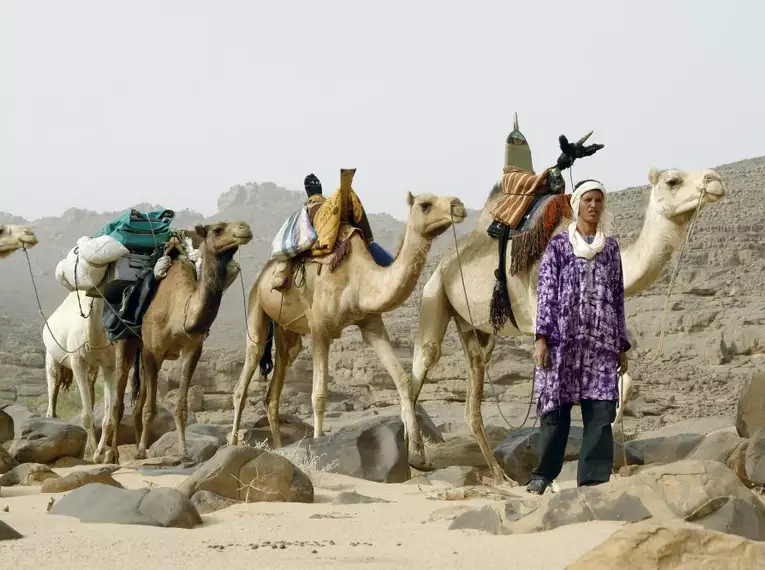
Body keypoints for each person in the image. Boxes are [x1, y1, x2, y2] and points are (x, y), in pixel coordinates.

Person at [525, 179, 630, 495]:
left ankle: (594, 483)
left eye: (599, 200)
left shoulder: (610, 248)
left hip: (600, 344)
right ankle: (543, 475)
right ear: (577, 205)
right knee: (555, 412)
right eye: (588, 200)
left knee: (600, 414)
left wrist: (621, 345)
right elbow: (546, 292)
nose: (594, 205)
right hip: (563, 342)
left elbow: (616, 295)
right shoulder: (558, 246)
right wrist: (541, 337)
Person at [489, 114, 604, 231]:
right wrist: (559, 166)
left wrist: (565, 161)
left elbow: (543, 184)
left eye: (520, 142)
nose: (518, 144)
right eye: (515, 142)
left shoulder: (534, 178)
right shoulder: (510, 177)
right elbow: (523, 181)